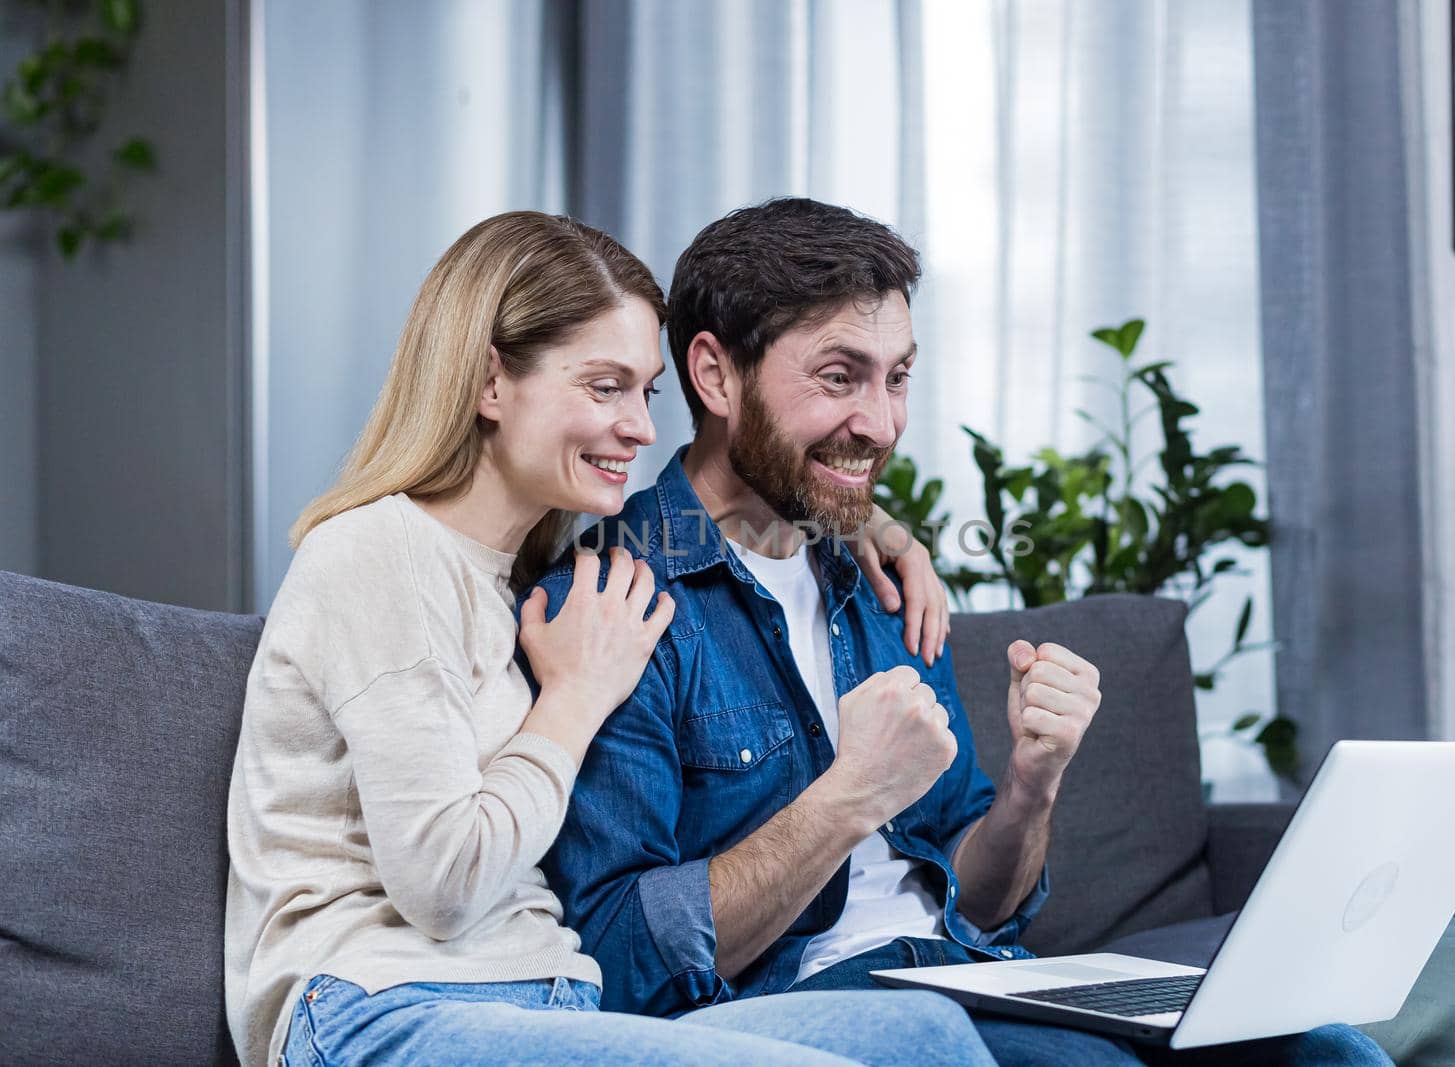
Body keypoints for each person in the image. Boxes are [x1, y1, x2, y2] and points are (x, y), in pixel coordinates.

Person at [522, 198, 1393, 1067]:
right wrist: (850, 794)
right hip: (813, 1010)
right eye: (839, 376)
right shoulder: (618, 602)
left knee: (1327, 1049)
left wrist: (1030, 785)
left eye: (897, 377)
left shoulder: (877, 577)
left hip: (975, 975)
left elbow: (979, 904)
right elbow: (620, 959)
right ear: (715, 376)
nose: (883, 423)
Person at [224, 211, 998, 1067]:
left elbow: (731, 519)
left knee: (926, 1035)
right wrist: (575, 697)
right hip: (379, 1003)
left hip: (552, 1001)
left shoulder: (530, 573)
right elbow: (442, 886)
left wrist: (857, 519)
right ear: (490, 384)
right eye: (604, 388)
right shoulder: (379, 552)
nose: (639, 426)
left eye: (645, 392)